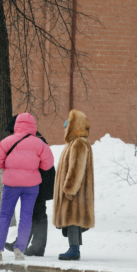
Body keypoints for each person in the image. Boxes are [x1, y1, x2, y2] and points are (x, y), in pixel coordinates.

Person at [0, 113, 54, 262]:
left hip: (11, 185)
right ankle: (19, 250)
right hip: (31, 186)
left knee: (4, 216)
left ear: (16, 125)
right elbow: (48, 164)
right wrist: (35, 166)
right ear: (33, 126)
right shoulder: (39, 143)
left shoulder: (7, 141)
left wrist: (9, 166)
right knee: (26, 218)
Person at [3, 115, 56, 256]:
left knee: (37, 214)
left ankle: (37, 247)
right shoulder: (35, 138)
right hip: (37, 182)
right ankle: (23, 244)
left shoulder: (35, 140)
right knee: (33, 213)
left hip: (39, 183)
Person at [53, 109, 95, 261]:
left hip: (75, 191)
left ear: (73, 127)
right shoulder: (75, 143)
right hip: (77, 191)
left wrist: (69, 189)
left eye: (67, 126)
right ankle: (74, 247)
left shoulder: (78, 143)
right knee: (74, 219)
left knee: (72, 217)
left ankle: (74, 248)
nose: (64, 130)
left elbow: (76, 169)